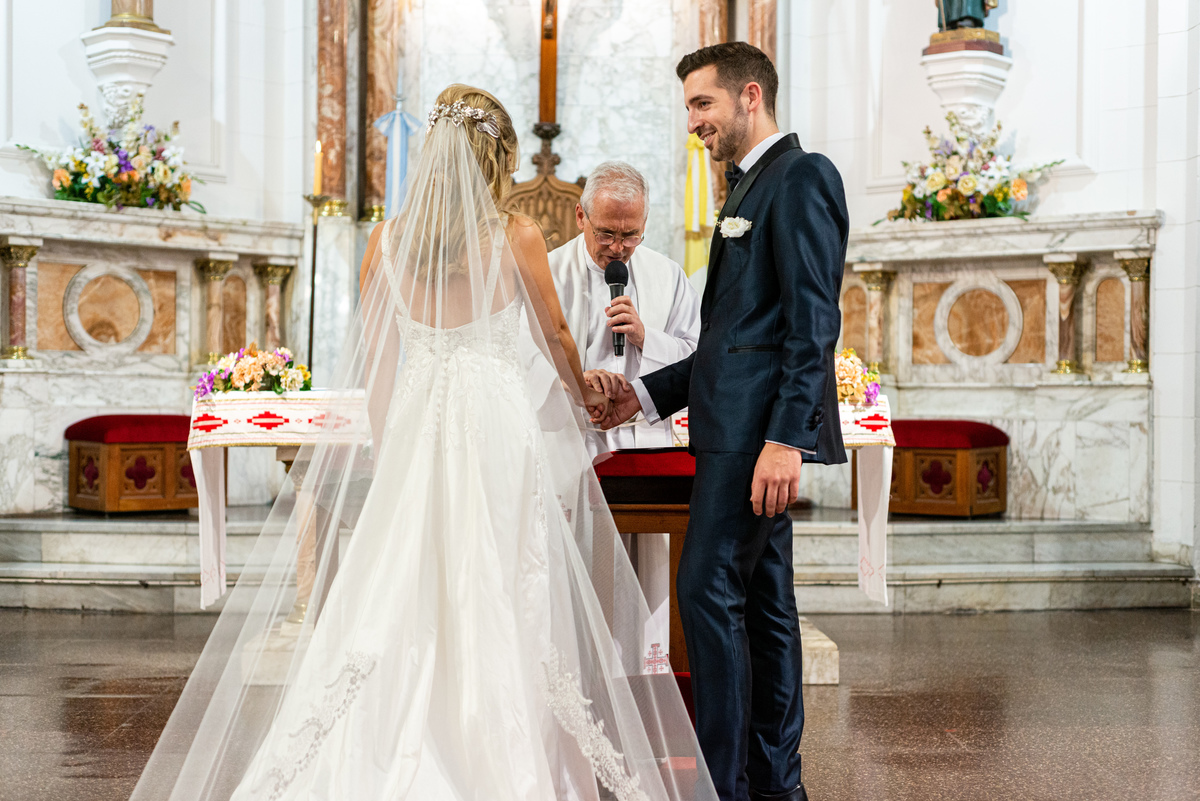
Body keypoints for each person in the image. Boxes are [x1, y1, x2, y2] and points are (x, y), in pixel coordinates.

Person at [130, 84, 714, 801]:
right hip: (497, 430)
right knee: (499, 584)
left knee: (402, 584)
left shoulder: (389, 237)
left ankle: (386, 750)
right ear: (494, 159)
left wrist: (385, 447)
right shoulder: (515, 236)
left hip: (417, 428)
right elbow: (558, 338)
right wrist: (584, 394)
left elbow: (376, 361)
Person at [595, 43, 849, 801]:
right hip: (734, 432)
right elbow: (729, 346)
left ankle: (722, 786)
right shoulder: (744, 192)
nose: (694, 123)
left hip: (755, 440)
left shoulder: (801, 176)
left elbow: (812, 323)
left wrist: (785, 438)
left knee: (707, 591)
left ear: (748, 96)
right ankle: (774, 784)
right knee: (765, 607)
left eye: (702, 105)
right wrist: (639, 396)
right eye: (689, 109)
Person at [547, 160, 700, 456]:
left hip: (649, 439)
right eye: (605, 234)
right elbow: (523, 360)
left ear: (645, 224)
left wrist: (646, 338)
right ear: (581, 217)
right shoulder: (549, 274)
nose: (618, 248)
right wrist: (578, 381)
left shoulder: (667, 275)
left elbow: (700, 358)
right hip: (573, 440)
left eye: (631, 235)